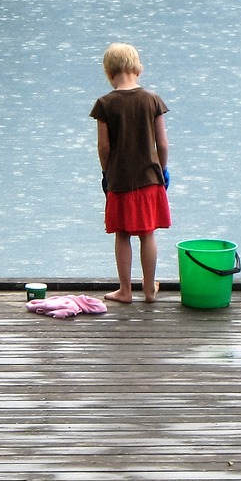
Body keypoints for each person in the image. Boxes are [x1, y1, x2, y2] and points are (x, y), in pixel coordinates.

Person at [89, 43, 171, 303]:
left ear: (110, 73)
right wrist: (163, 170)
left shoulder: (104, 104)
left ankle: (125, 290)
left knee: (122, 234)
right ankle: (149, 290)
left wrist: (106, 172)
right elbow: (163, 144)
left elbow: (104, 147)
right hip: (149, 179)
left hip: (120, 180)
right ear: (137, 68)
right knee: (147, 233)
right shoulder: (152, 100)